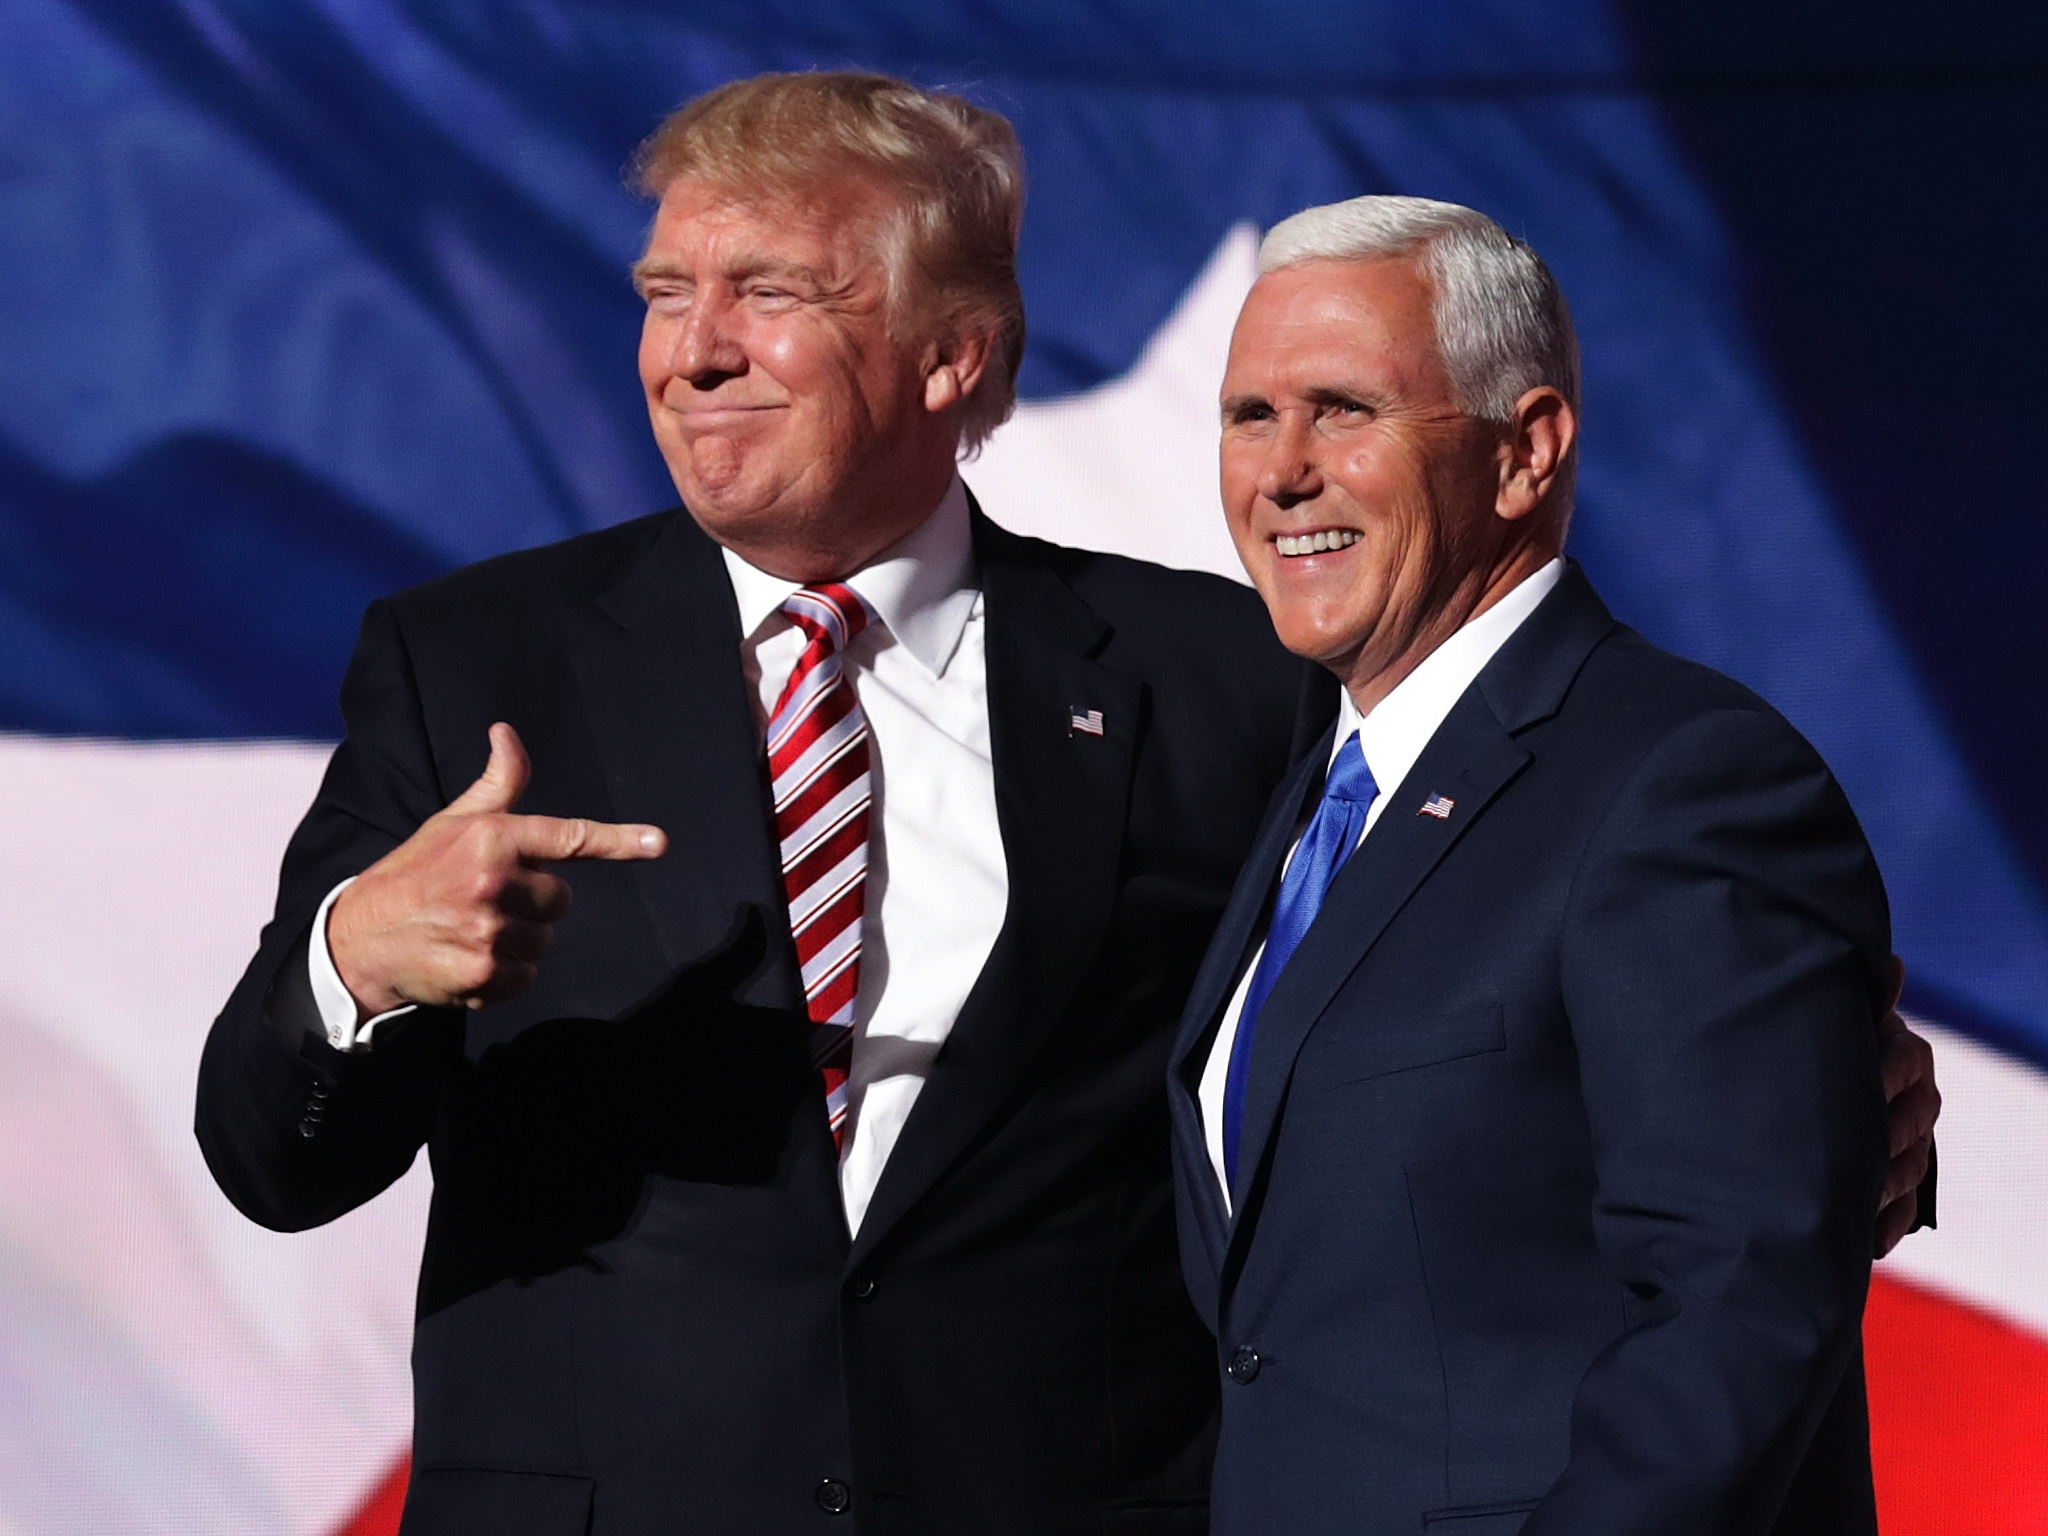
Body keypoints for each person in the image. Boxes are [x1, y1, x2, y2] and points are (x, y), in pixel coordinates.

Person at [196, 75, 1935, 1536]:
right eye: (665, 293)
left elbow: (1503, 982)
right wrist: (352, 967)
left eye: (768, 293)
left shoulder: (1231, 682)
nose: (694, 352)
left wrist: (1820, 1092)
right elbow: (270, 1160)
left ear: (953, 356)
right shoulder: (471, 667)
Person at [1167, 194, 1909, 1536]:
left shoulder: (1685, 780)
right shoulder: (1313, 794)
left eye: (1344, 410)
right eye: (1249, 416)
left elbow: (1734, 1312)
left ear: (1525, 451)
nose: (1281, 471)